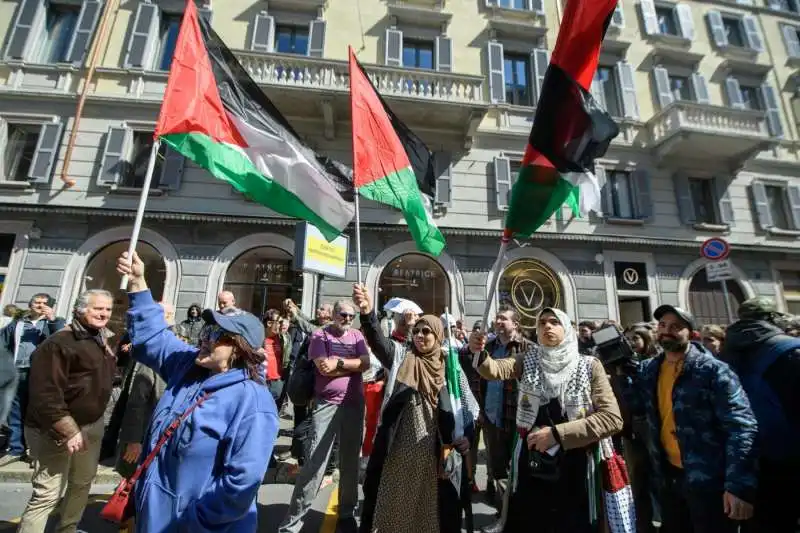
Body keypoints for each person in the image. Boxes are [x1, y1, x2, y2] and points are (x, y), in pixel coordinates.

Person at [117, 251, 278, 533]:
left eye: (215, 336)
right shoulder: (188, 365)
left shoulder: (252, 401)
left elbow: (241, 484)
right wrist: (139, 283)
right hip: (153, 518)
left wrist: (193, 523)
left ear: (239, 349)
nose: (203, 339)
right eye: (205, 331)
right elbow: (153, 338)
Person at [470, 308, 623, 533]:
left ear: (568, 329)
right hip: (531, 461)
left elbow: (611, 418)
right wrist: (479, 352)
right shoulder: (528, 359)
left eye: (554, 322)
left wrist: (557, 435)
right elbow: (494, 369)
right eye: (542, 323)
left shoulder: (589, 365)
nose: (547, 326)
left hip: (575, 463)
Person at [354, 284, 478, 533]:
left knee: (434, 510)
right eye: (417, 331)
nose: (419, 335)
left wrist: (467, 437)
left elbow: (469, 409)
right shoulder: (402, 357)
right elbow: (379, 343)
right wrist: (367, 313)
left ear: (438, 335)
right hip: (400, 450)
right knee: (397, 505)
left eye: (426, 332)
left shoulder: (451, 366)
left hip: (438, 451)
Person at [626, 305, 758, 533]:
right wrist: (622, 375)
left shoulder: (713, 371)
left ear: (691, 333)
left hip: (709, 483)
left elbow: (742, 428)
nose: (667, 331)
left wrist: (738, 486)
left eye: (676, 327)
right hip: (668, 480)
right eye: (663, 325)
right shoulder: (649, 370)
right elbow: (638, 409)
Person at [17, 289, 115, 533]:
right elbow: (46, 394)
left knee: (82, 483)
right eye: (98, 308)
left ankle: (68, 529)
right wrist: (69, 430)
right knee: (47, 494)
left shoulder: (101, 338)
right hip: (55, 430)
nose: (104, 314)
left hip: (91, 425)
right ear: (81, 310)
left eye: (108, 309)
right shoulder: (58, 343)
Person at [278, 300, 369, 533]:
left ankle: (346, 515)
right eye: (343, 314)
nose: (348, 319)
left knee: (350, 464)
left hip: (354, 405)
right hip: (326, 404)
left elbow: (365, 364)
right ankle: (293, 522)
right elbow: (322, 368)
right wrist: (352, 365)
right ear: (334, 314)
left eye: (351, 315)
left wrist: (339, 362)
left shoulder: (357, 336)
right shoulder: (320, 335)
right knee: (314, 464)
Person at [720, 297, 800, 533]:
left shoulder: (725, 352)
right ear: (773, 318)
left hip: (742, 461)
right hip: (788, 461)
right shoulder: (790, 350)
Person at [464, 306, 532, 510]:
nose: (498, 321)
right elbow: (475, 374)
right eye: (497, 318)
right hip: (491, 416)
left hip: (516, 416)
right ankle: (502, 511)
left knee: (518, 466)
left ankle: (516, 509)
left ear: (516, 324)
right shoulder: (488, 346)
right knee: (498, 466)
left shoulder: (527, 348)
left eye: (504, 318)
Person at [0, 294, 65, 463]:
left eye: (44, 303)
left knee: (37, 412)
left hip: (39, 374)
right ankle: (15, 449)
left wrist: (52, 320)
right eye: (37, 302)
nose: (40, 305)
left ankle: (35, 451)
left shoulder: (54, 322)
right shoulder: (18, 323)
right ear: (30, 304)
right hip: (17, 371)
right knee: (15, 411)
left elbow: (62, 340)